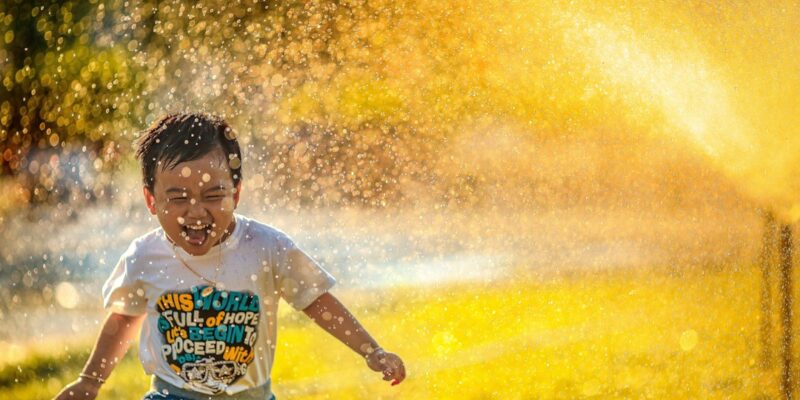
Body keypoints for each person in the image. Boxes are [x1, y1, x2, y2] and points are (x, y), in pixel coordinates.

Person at [54, 112, 406, 400]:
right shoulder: (145, 256)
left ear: (235, 193)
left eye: (213, 195)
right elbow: (124, 319)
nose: (195, 213)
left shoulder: (266, 247)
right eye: (177, 198)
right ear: (151, 201)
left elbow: (316, 300)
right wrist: (90, 380)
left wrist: (371, 350)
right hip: (172, 396)